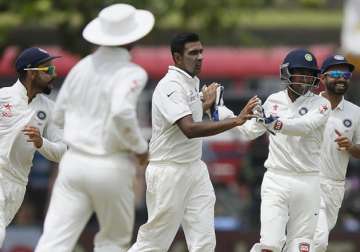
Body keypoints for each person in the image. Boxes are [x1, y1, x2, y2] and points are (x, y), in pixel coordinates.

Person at [34, 4, 154, 252]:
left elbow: (57, 115)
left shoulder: (82, 66)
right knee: (112, 242)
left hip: (73, 163)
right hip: (110, 164)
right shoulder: (132, 72)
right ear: (134, 38)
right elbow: (122, 112)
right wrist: (141, 149)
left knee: (53, 242)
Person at [128, 32, 259, 252]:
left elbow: (189, 116)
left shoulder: (190, 83)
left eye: (201, 52)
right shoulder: (169, 86)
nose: (199, 57)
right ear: (177, 58)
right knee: (155, 242)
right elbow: (188, 128)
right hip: (169, 171)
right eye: (193, 53)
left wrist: (204, 106)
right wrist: (237, 120)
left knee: (204, 240)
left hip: (194, 168)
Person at [219, 49, 331, 252]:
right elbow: (249, 132)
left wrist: (276, 123)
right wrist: (222, 112)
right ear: (288, 73)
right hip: (276, 180)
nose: (305, 78)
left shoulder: (322, 104)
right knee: (270, 245)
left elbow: (304, 126)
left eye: (310, 74)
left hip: (308, 180)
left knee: (302, 247)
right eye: (300, 72)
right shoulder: (273, 101)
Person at [0, 47, 66, 246]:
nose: (54, 75)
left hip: (17, 184)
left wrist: (41, 143)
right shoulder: (3, 96)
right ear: (31, 73)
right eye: (49, 70)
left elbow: (62, 152)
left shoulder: (50, 108)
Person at [313, 55, 359, 252]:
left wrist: (350, 146)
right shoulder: (309, 106)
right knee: (319, 240)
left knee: (308, 240)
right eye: (337, 74)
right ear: (323, 78)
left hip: (336, 186)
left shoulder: (356, 112)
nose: (342, 79)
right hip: (309, 181)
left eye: (346, 74)